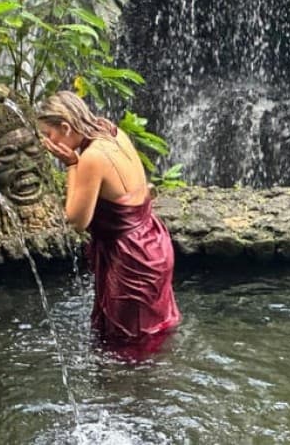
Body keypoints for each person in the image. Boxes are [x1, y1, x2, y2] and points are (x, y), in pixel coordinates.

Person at [36, 91, 181, 357]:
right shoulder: (110, 130)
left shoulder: (91, 158)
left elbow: (77, 220)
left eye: (49, 133)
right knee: (148, 337)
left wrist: (71, 164)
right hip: (153, 241)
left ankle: (130, 395)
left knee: (126, 348)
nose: (48, 142)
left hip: (131, 256)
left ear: (66, 127)